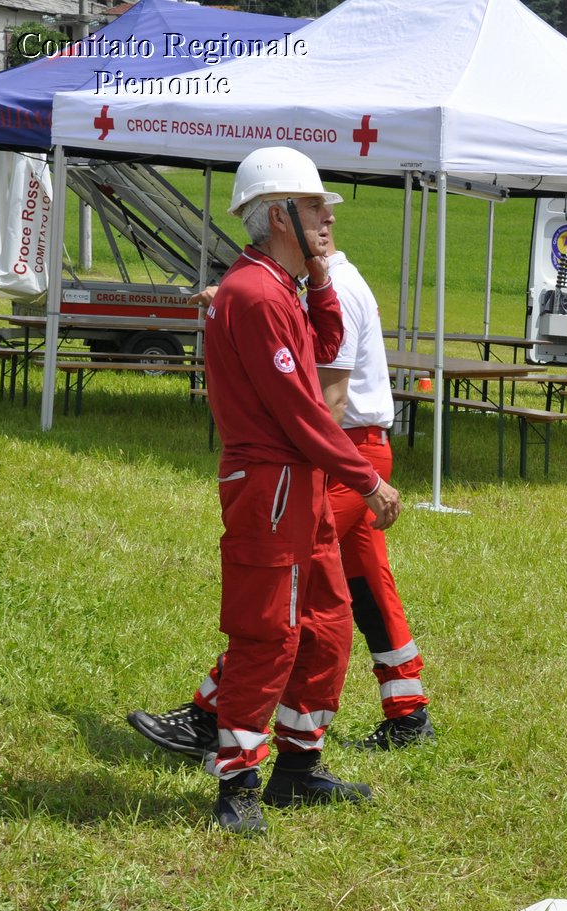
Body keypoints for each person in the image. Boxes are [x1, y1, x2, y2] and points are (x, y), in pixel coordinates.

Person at [128, 232, 436, 763]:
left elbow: (331, 399)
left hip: (340, 454)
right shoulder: (314, 284)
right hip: (359, 451)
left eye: (320, 211)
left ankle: (209, 718)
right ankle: (406, 708)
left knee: (284, 594)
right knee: (363, 584)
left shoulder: (332, 286)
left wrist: (329, 473)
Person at [172, 145, 400, 835]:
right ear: (277, 217)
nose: (327, 216)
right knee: (266, 634)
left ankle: (299, 768)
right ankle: (237, 784)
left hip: (294, 489)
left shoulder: (280, 288)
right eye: (312, 207)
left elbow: (329, 346)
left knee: (327, 623)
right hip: (272, 487)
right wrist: (367, 477)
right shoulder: (257, 293)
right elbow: (303, 413)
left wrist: (323, 278)